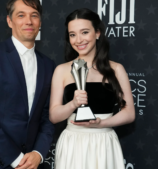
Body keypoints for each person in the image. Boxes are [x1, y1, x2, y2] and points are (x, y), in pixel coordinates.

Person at [0, 0, 55, 169]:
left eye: (34, 15)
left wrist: (38, 153)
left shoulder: (48, 65)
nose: (28, 21)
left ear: (40, 22)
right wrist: (15, 158)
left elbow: (48, 117)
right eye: (21, 15)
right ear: (9, 21)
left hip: (32, 164)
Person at [49, 8, 135, 169]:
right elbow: (54, 116)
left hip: (104, 142)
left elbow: (129, 113)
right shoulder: (61, 70)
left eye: (85, 32)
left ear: (97, 33)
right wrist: (73, 104)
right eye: (72, 34)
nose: (78, 40)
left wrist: (101, 123)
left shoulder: (116, 69)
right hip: (73, 143)